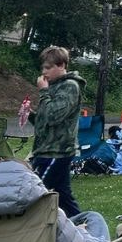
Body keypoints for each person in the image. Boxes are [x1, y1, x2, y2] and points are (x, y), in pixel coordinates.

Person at [29, 46, 84, 218]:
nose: (44, 72)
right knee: (64, 197)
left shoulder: (70, 86)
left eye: (48, 67)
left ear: (61, 65)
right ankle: (84, 227)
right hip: (46, 149)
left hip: (57, 151)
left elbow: (54, 116)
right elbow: (45, 121)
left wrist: (44, 92)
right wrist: (30, 115)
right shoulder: (54, 86)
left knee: (36, 193)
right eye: (42, 68)